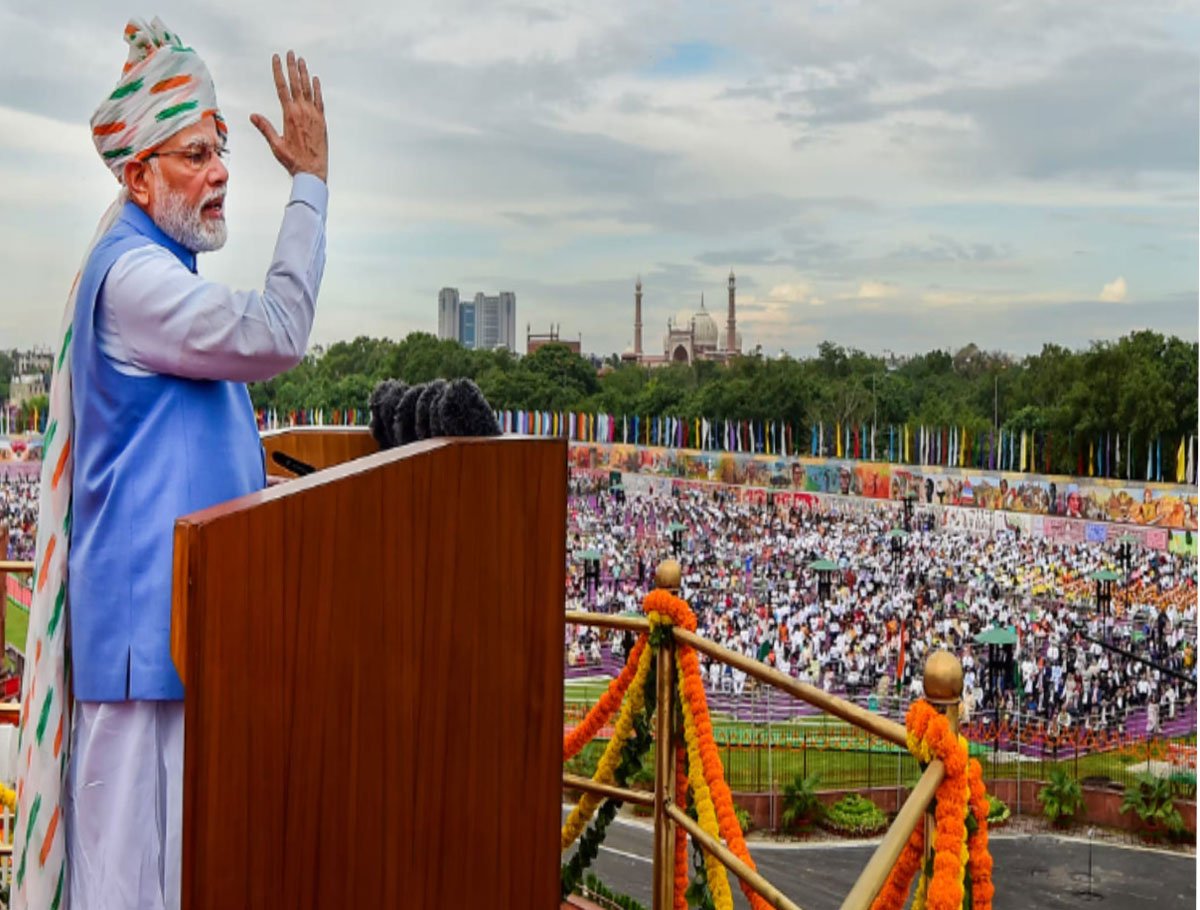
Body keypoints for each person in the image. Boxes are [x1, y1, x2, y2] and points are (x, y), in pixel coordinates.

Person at [13, 19, 328, 910]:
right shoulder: (137, 282)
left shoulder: (166, 271)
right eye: (196, 153)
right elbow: (277, 330)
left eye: (220, 146)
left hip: (184, 648)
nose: (222, 168)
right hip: (143, 661)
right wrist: (310, 184)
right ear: (138, 175)